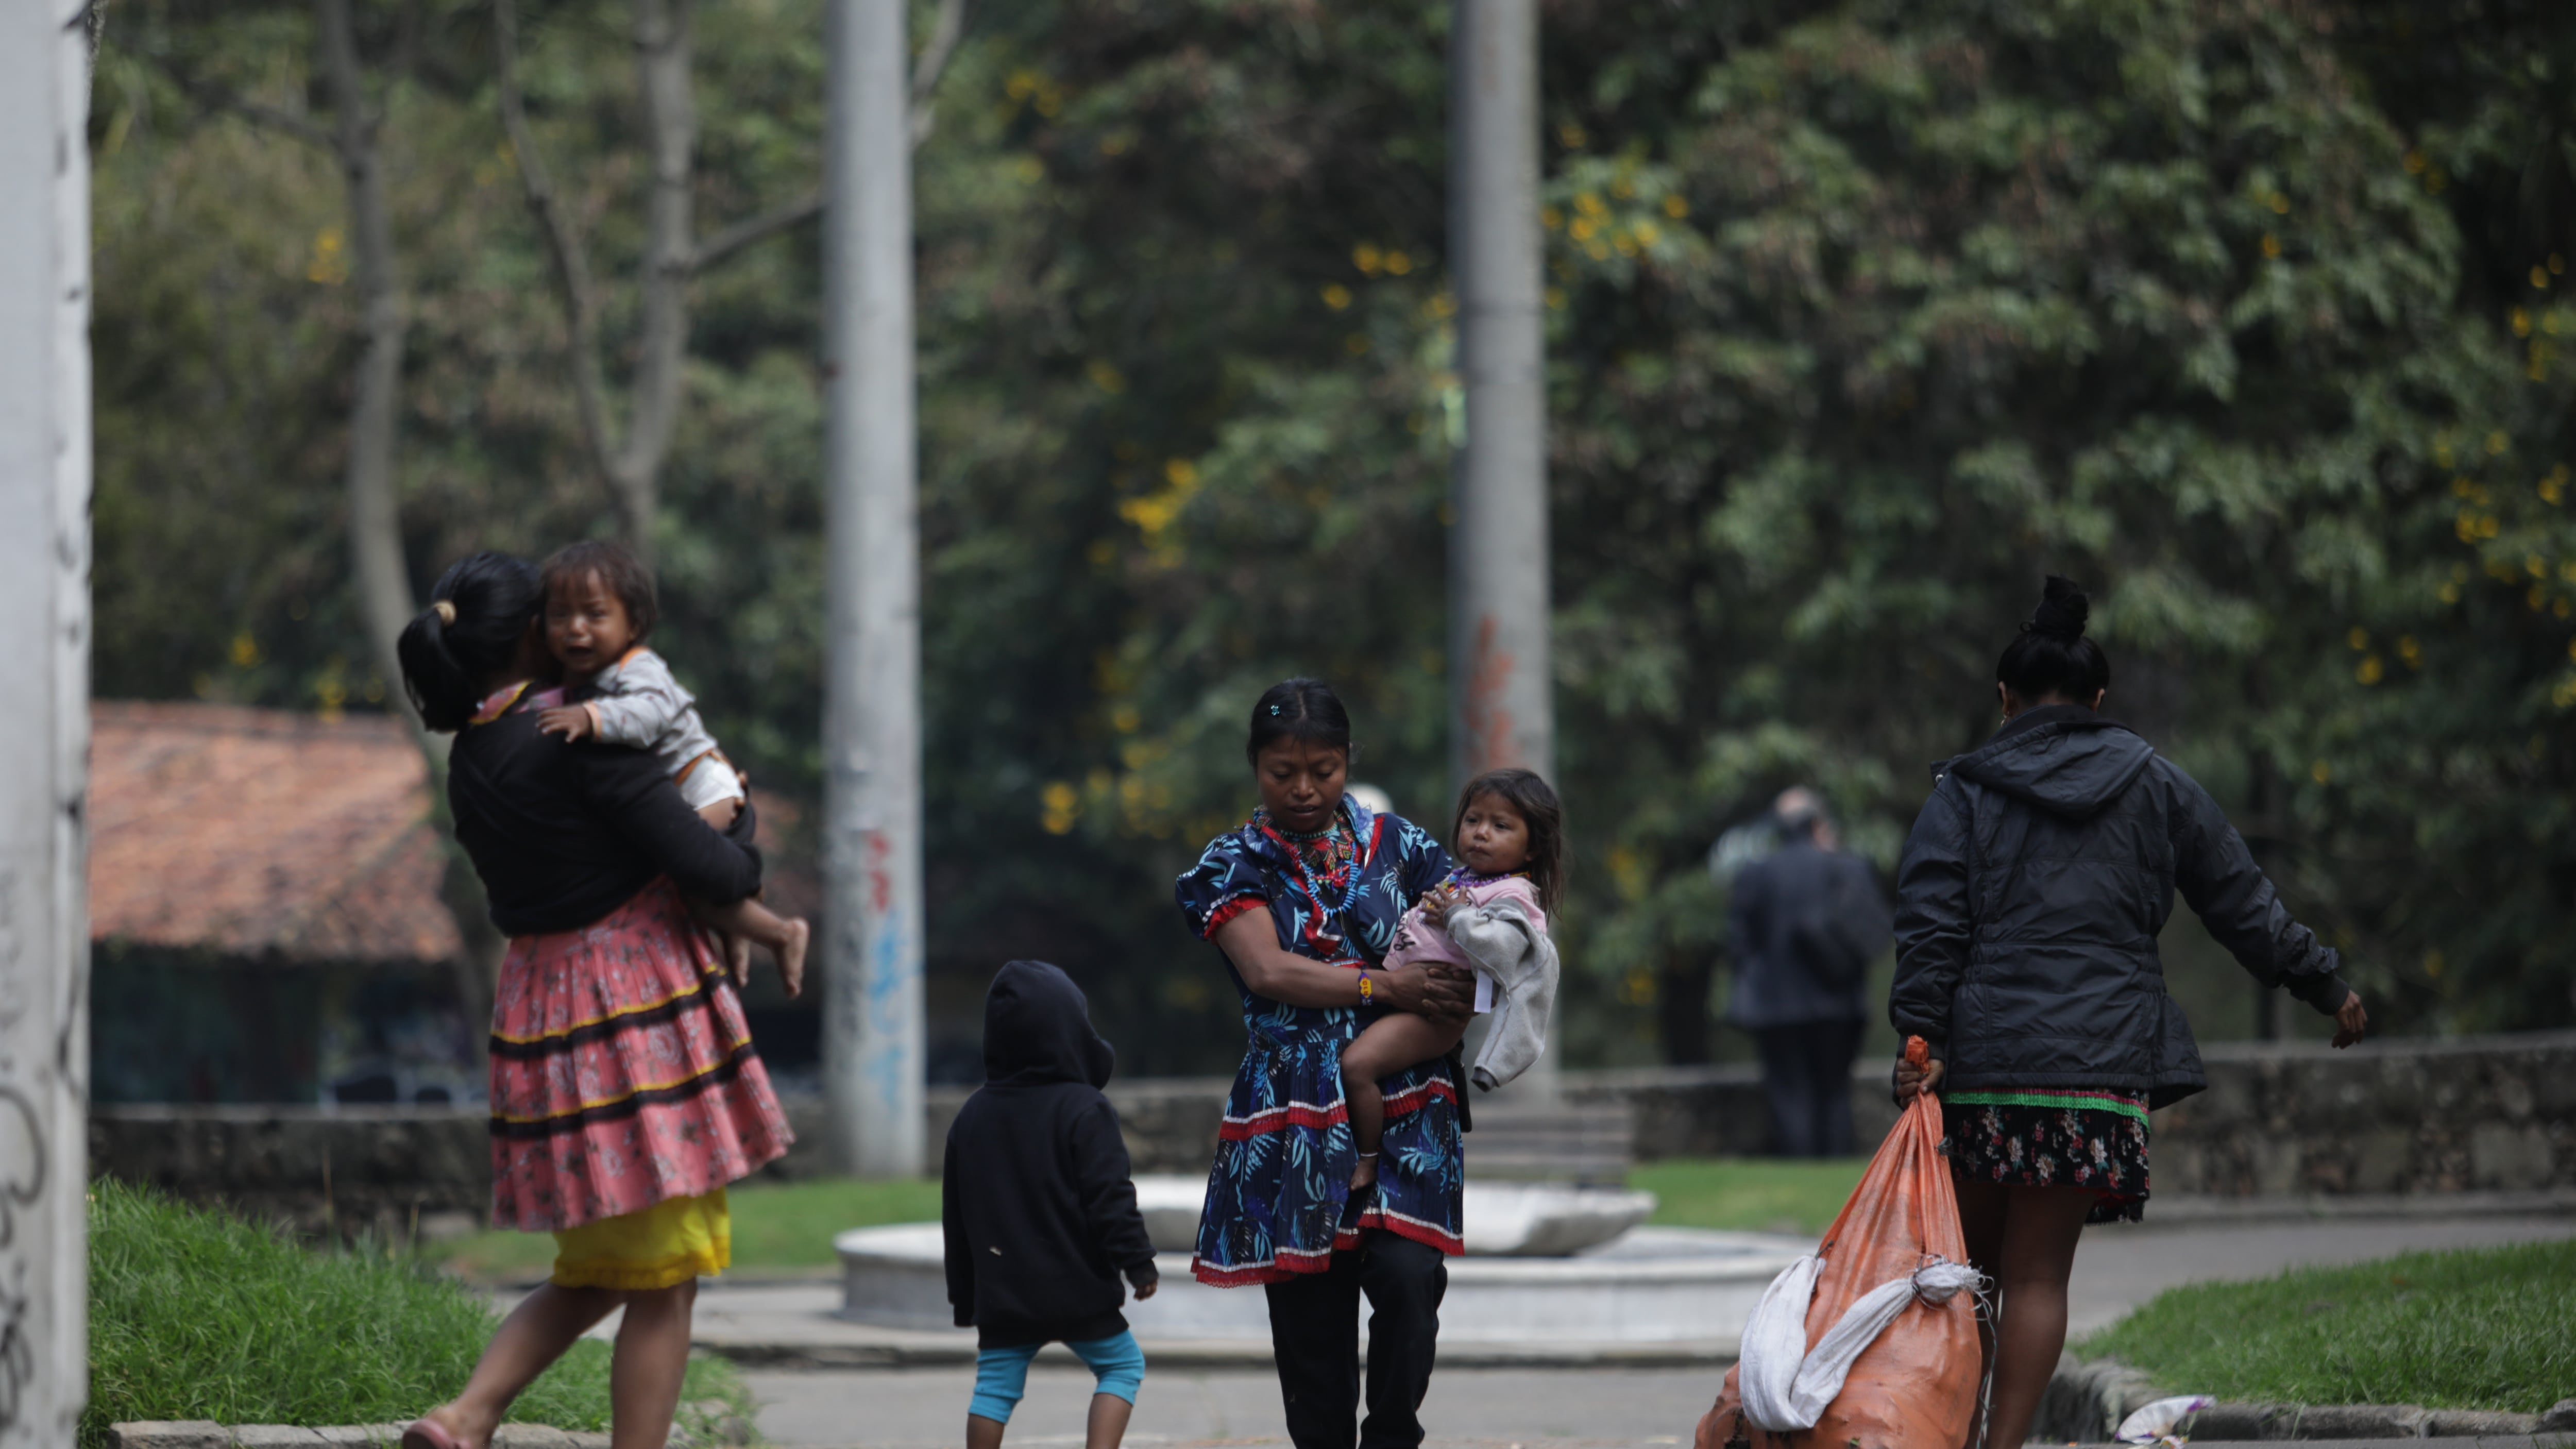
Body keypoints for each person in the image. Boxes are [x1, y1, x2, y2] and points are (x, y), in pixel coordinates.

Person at [1889, 575, 2368, 1449]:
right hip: (2099, 1066)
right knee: (2039, 1278)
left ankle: (1952, 1436)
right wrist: (2323, 984)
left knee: (1971, 1275)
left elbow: (1931, 922)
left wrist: (1920, 1039)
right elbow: (2239, 898)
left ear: (2005, 698)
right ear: (2100, 699)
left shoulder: (1965, 792)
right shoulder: (2156, 782)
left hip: (1990, 1069)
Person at [394, 552, 798, 1449]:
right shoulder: (582, 742)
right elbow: (712, 865)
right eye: (557, 616)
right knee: (666, 1278)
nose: (577, 632)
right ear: (532, 634)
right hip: (629, 1020)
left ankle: (465, 1417)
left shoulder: (472, 758)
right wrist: (735, 808)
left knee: (602, 1266)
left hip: (545, 1018)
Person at [1173, 678, 1476, 1449]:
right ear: (1255, 766)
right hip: (1292, 1110)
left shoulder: (1402, 847)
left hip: (1408, 1097)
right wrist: (1387, 985)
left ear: (1348, 761)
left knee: (1410, 1281)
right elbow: (1269, 971)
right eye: (1283, 772)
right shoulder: (1232, 863)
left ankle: (1394, 1434)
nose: (1304, 789)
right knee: (1312, 1326)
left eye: (1324, 770)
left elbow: (1470, 923)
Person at [529, 539, 809, 991]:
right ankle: (739, 928)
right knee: (689, 887)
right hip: (682, 790)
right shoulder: (575, 680)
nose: (576, 628)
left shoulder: (638, 667)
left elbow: (652, 714)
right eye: (560, 616)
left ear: (633, 624)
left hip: (705, 783)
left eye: (595, 615)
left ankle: (782, 933)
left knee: (690, 868)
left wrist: (592, 717)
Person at [944, 960, 1159, 1449]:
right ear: (1071, 1031)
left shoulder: (972, 1115)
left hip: (1005, 1294)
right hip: (1078, 1287)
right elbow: (1110, 1196)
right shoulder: (1084, 1108)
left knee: (994, 1389)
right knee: (1122, 1366)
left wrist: (966, 1296)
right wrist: (1138, 1262)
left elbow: (956, 1217)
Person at [1354, 766, 1565, 1191]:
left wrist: (1456, 916)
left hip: (1434, 1012)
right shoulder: (1467, 877)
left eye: (1500, 826)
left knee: (1357, 1066)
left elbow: (1504, 948)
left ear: (1532, 848)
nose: (1481, 833)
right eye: (1473, 820)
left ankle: (1367, 1159)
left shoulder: (1514, 897)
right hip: (1405, 996)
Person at [1725, 786, 1890, 1158]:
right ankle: (1836, 1161)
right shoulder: (1847, 867)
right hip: (1839, 1003)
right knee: (1835, 1090)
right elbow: (1873, 933)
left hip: (1776, 1006)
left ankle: (1796, 1160)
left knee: (1788, 1093)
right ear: (1818, 824)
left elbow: (1738, 944)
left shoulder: (1757, 873)